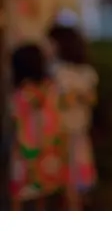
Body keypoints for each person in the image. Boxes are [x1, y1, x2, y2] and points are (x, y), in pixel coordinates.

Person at [10, 43, 67, 210]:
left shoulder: (21, 93)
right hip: (48, 149)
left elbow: (17, 120)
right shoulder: (51, 88)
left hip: (24, 150)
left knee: (18, 195)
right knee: (42, 196)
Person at [47, 24, 98, 209]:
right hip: (66, 132)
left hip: (70, 132)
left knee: (72, 181)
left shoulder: (60, 72)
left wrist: (73, 96)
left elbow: (88, 98)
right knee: (71, 181)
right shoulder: (64, 70)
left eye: (50, 43)